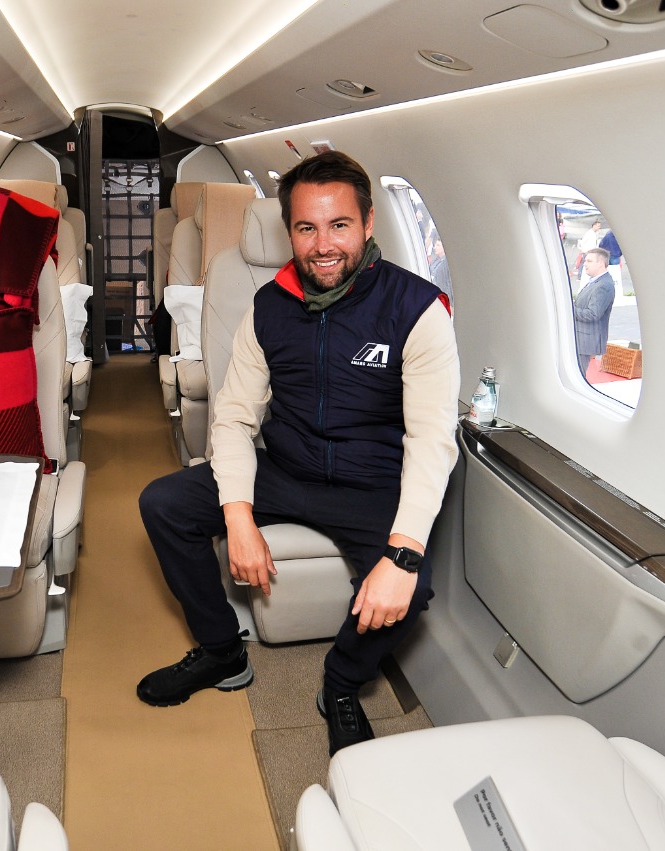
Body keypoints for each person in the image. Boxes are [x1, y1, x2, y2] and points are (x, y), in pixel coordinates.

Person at [135, 151, 461, 756]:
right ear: (290, 231)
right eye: (307, 228)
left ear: (368, 223)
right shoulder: (269, 306)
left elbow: (432, 440)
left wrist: (403, 554)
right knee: (164, 503)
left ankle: (342, 683)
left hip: (370, 485)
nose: (323, 245)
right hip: (284, 470)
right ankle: (222, 651)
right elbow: (234, 417)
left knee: (411, 589)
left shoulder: (416, 310)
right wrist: (238, 518)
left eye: (339, 225)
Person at [573, 247, 615, 375]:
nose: (585, 264)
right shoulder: (596, 281)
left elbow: (593, 314)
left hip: (585, 341)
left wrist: (570, 310)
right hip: (581, 339)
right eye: (585, 261)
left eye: (589, 261)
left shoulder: (604, 285)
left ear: (600, 263)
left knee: (578, 375)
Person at [426, 232, 453, 302]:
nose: (435, 247)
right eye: (435, 245)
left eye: (438, 245)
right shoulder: (436, 260)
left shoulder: (445, 265)